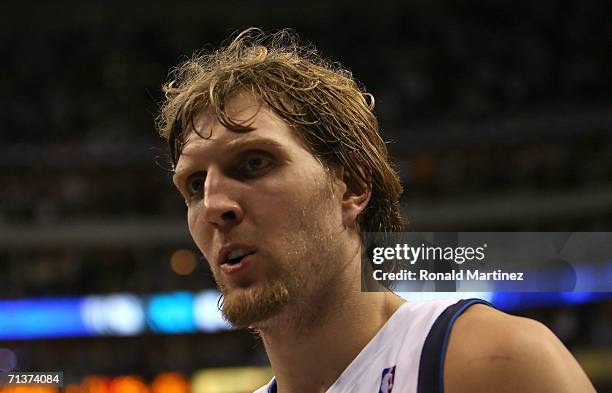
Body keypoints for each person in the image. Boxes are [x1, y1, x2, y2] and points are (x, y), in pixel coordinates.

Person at [157, 28, 596, 393]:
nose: (214, 204)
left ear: (351, 187)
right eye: (195, 185)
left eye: (254, 163)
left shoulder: (492, 362)